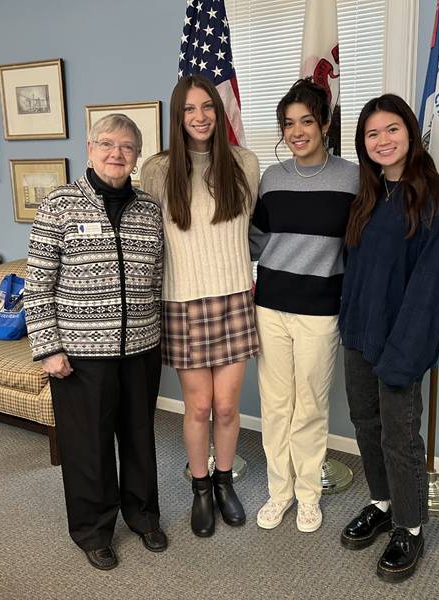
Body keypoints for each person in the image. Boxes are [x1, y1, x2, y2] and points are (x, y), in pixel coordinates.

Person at [24, 114, 166, 570]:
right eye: (107, 144)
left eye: (126, 146)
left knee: (140, 438)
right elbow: (38, 282)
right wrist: (48, 348)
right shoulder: (60, 204)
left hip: (141, 347)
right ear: (89, 147)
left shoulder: (148, 208)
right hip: (81, 355)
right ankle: (93, 530)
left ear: (137, 155)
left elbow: (157, 277)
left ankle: (143, 516)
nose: (116, 153)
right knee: (89, 447)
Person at [339, 94, 439, 582]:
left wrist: (404, 355)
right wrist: (350, 326)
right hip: (359, 336)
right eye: (372, 134)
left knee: (400, 436)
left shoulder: (433, 200)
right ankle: (382, 502)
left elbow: (432, 289)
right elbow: (355, 272)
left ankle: (409, 527)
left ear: (410, 134)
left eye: (392, 130)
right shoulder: (368, 198)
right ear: (363, 143)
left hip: (401, 345)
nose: (383, 140)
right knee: (365, 424)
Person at [141, 75, 260, 538]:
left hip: (233, 298)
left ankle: (225, 481)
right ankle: (201, 488)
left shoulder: (245, 165)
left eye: (207, 107)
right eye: (189, 109)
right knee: (199, 407)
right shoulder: (157, 170)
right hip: (183, 301)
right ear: (178, 115)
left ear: (218, 110)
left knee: (228, 407)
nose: (200, 117)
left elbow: (252, 234)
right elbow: (149, 239)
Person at [250, 78, 358, 533]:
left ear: (326, 125)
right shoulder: (271, 179)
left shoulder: (353, 177)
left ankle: (308, 495)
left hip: (320, 311)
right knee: (275, 406)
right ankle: (280, 493)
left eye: (306, 121)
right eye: (289, 124)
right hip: (271, 306)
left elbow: (359, 246)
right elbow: (256, 240)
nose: (297, 132)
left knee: (310, 406)